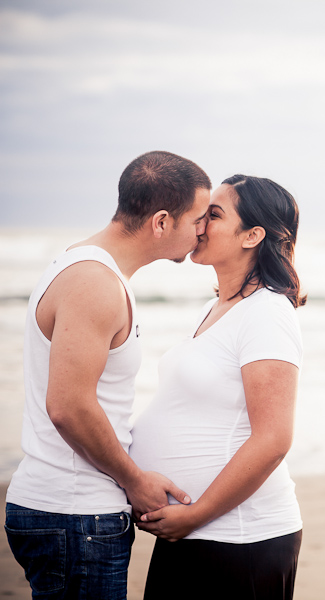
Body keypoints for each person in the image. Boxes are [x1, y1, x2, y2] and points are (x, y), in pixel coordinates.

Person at [5, 151, 212, 600]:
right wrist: (135, 481)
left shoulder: (86, 264)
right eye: (198, 218)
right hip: (76, 516)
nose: (204, 230)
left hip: (73, 514)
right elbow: (68, 406)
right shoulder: (96, 283)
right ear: (161, 222)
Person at [129, 175, 306, 600]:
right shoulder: (220, 306)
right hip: (198, 534)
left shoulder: (266, 312)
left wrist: (197, 515)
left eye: (214, 214)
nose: (199, 223)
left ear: (252, 235)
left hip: (239, 538)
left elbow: (273, 439)